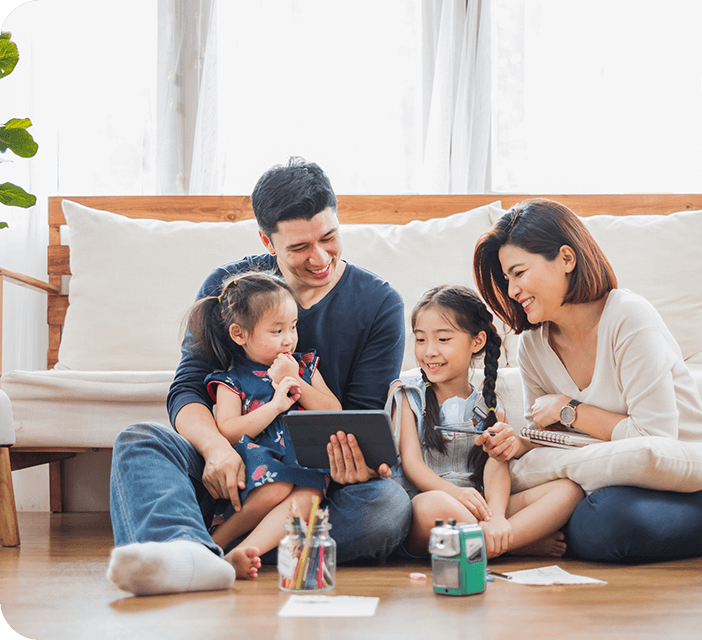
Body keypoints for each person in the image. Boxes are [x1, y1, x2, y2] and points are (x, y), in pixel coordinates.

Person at [107, 158, 411, 596]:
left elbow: (359, 416)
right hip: (232, 467)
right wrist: (215, 450)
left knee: (387, 508)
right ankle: (193, 551)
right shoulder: (230, 286)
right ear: (267, 240)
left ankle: (201, 547)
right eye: (299, 247)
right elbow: (189, 387)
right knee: (140, 442)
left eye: (329, 237)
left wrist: (349, 464)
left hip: (312, 480)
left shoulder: (378, 303)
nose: (320, 257)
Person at [472, 198, 702, 563]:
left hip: (698, 490)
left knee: (605, 521)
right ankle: (531, 531)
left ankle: (530, 532)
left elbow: (654, 441)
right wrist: (520, 443)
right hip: (601, 486)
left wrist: (569, 410)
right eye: (507, 279)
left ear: (567, 259)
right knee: (591, 512)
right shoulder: (532, 347)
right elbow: (552, 443)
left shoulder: (629, 318)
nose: (511, 291)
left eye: (519, 273)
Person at [390, 285, 583, 558]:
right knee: (432, 506)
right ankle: (516, 544)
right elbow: (411, 464)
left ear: (477, 342)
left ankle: (492, 538)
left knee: (567, 490)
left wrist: (496, 516)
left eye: (443, 340)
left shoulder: (488, 404)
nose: (429, 351)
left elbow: (497, 467)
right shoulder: (408, 394)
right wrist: (453, 494)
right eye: (421, 340)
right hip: (431, 506)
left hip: (476, 505)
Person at [185, 271, 339, 579]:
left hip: (305, 463)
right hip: (260, 462)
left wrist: (294, 379)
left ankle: (243, 553)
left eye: (293, 327)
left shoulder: (304, 366)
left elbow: (333, 411)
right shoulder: (232, 379)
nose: (288, 339)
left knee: (309, 498)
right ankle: (218, 539)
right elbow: (228, 431)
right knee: (276, 488)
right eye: (276, 330)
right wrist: (275, 406)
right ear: (239, 334)